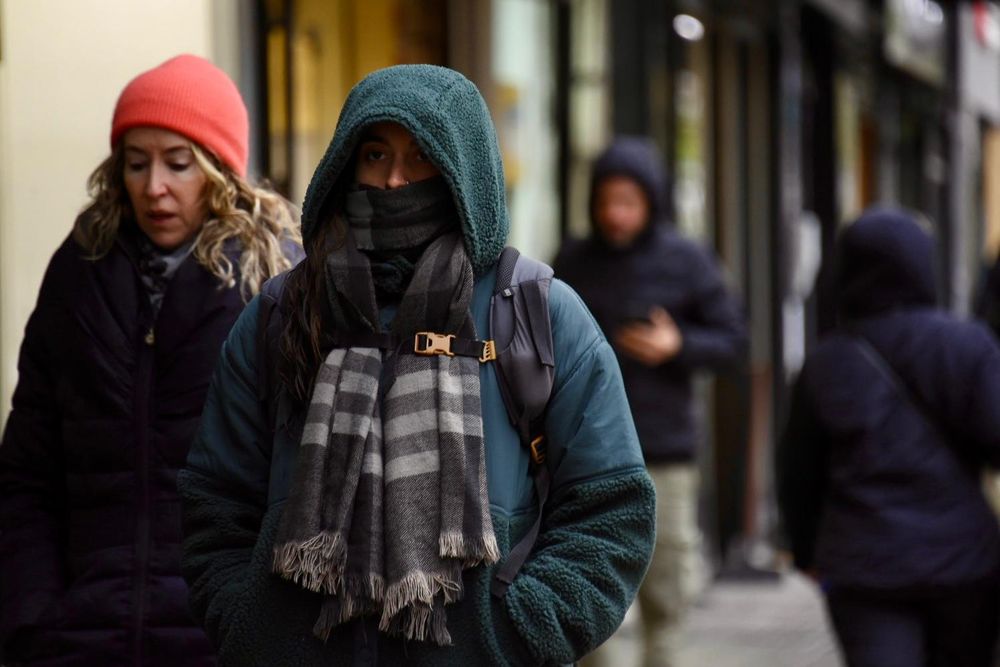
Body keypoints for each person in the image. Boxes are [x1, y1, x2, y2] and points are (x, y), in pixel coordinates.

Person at [177, 64, 655, 666]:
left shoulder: (538, 311)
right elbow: (214, 503)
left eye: (422, 157)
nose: (395, 179)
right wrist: (252, 626)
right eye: (375, 154)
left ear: (465, 172)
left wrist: (515, 633)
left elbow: (613, 511)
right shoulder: (282, 312)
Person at [0, 54, 301, 666]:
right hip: (78, 641)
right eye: (135, 164)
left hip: (221, 644)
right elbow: (27, 474)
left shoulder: (275, 289)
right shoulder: (78, 276)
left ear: (220, 172)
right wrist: (31, 620)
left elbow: (301, 490)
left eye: (178, 163)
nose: (153, 185)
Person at [777, 208, 1000, 667]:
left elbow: (799, 471)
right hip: (963, 559)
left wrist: (805, 552)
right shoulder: (967, 345)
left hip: (864, 566)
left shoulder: (826, 364)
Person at [554, 136, 746, 667]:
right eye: (606, 202)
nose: (615, 215)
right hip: (585, 454)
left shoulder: (687, 259)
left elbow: (735, 340)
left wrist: (679, 344)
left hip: (664, 454)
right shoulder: (573, 259)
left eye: (628, 202)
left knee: (665, 596)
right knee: (590, 595)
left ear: (651, 202)